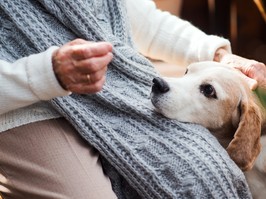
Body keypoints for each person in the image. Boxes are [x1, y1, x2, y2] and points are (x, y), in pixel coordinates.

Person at [0, 0, 265, 198]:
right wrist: (46, 74)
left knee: (208, 175)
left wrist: (216, 55)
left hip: (117, 90)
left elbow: (143, 21)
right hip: (26, 107)